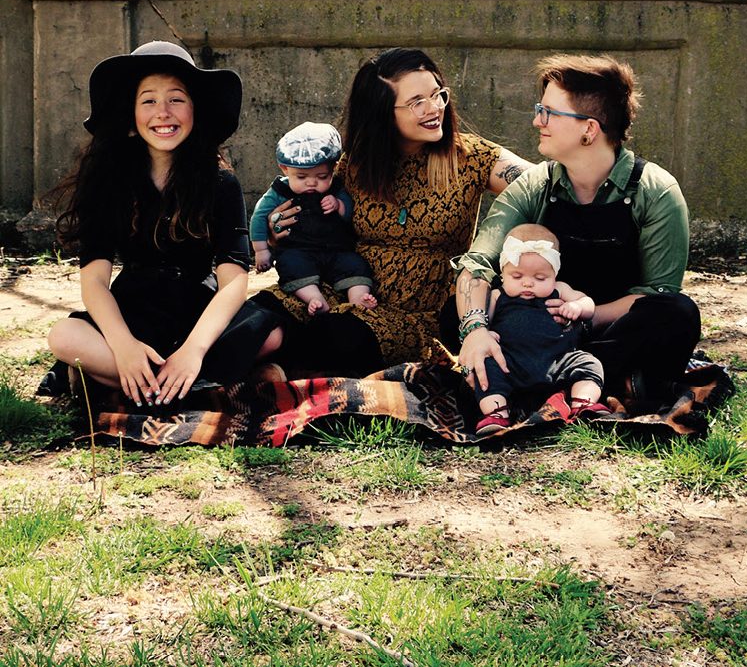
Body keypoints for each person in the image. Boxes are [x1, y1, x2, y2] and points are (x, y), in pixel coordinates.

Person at [264, 48, 532, 376]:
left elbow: (542, 184)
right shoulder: (356, 163)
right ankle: (261, 369)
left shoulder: (472, 157)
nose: (434, 108)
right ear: (381, 113)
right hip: (342, 284)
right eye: (417, 101)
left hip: (415, 312)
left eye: (437, 94)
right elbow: (316, 219)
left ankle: (275, 373)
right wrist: (276, 236)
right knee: (258, 316)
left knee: (337, 337)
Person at [454, 55, 701, 410]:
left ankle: (547, 383)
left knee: (678, 314)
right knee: (458, 309)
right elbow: (478, 263)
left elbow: (657, 293)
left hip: (609, 331)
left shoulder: (656, 191)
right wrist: (475, 330)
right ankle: (602, 385)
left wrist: (584, 313)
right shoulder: (533, 187)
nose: (537, 120)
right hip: (535, 333)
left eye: (549, 113)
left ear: (589, 129)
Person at [47, 41, 283, 406]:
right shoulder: (108, 181)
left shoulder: (221, 182)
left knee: (271, 334)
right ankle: (188, 385)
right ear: (131, 114)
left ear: (195, 109)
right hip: (133, 311)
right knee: (63, 336)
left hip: (197, 310)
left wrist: (194, 350)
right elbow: (93, 281)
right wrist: (124, 346)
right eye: (148, 101)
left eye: (176, 99)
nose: (163, 112)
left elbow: (234, 279)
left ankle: (125, 383)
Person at [471, 223, 607, 436]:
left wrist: (577, 307)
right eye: (517, 276)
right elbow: (483, 319)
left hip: (558, 361)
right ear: (503, 273)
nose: (527, 283)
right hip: (510, 363)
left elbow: (588, 303)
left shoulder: (559, 289)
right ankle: (496, 413)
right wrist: (485, 332)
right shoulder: (498, 295)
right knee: (487, 369)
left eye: (540, 278)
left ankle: (583, 403)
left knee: (588, 363)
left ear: (554, 275)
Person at [250, 122, 376, 315]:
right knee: (290, 265)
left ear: (333, 168)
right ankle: (314, 298)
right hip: (298, 250)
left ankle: (359, 298)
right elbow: (258, 217)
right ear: (285, 169)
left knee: (355, 265)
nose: (311, 183)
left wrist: (338, 205)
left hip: (336, 250)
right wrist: (261, 251)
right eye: (301, 177)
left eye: (322, 176)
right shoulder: (279, 192)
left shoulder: (336, 189)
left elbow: (351, 212)